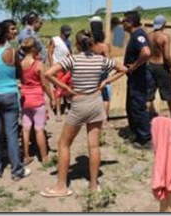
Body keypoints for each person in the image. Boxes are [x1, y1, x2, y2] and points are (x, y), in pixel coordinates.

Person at [40, 30, 127, 198]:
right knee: (93, 145)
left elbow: (48, 73)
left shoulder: (72, 59)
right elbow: (123, 69)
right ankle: (94, 185)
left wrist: (64, 88)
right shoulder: (101, 60)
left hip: (79, 103)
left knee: (64, 144)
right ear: (92, 44)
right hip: (96, 102)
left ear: (77, 45)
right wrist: (106, 81)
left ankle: (61, 186)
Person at [0, 22, 30, 181]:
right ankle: (16, 170)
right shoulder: (12, 52)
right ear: (5, 35)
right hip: (9, 94)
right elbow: (19, 74)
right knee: (12, 133)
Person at [20, 37, 55, 166]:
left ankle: (26, 155)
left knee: (25, 129)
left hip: (25, 98)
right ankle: (44, 157)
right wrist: (51, 97)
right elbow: (44, 84)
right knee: (39, 129)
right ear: (34, 48)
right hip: (37, 99)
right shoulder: (38, 64)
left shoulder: (20, 64)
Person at [122, 11, 153, 149]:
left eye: (124, 21)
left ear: (129, 23)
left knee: (138, 107)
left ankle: (145, 139)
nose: (122, 24)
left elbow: (146, 52)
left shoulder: (138, 35)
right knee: (132, 106)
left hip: (139, 77)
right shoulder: (135, 35)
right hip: (135, 78)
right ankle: (137, 134)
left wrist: (134, 66)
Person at [146, 15, 171, 120]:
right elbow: (167, 56)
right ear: (164, 24)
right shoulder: (164, 37)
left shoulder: (148, 36)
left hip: (150, 66)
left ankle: (146, 120)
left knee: (149, 96)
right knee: (170, 95)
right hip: (161, 67)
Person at [89, 16, 113, 127]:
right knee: (105, 97)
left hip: (92, 72)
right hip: (102, 73)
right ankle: (105, 119)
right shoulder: (104, 46)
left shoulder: (89, 44)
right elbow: (108, 62)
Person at [47, 24, 73, 122]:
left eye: (69, 33)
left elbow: (70, 54)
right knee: (58, 90)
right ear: (61, 32)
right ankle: (58, 111)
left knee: (66, 88)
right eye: (66, 33)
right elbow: (50, 52)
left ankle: (66, 107)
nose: (68, 35)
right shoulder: (54, 40)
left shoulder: (68, 42)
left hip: (66, 68)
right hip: (57, 68)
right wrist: (52, 65)